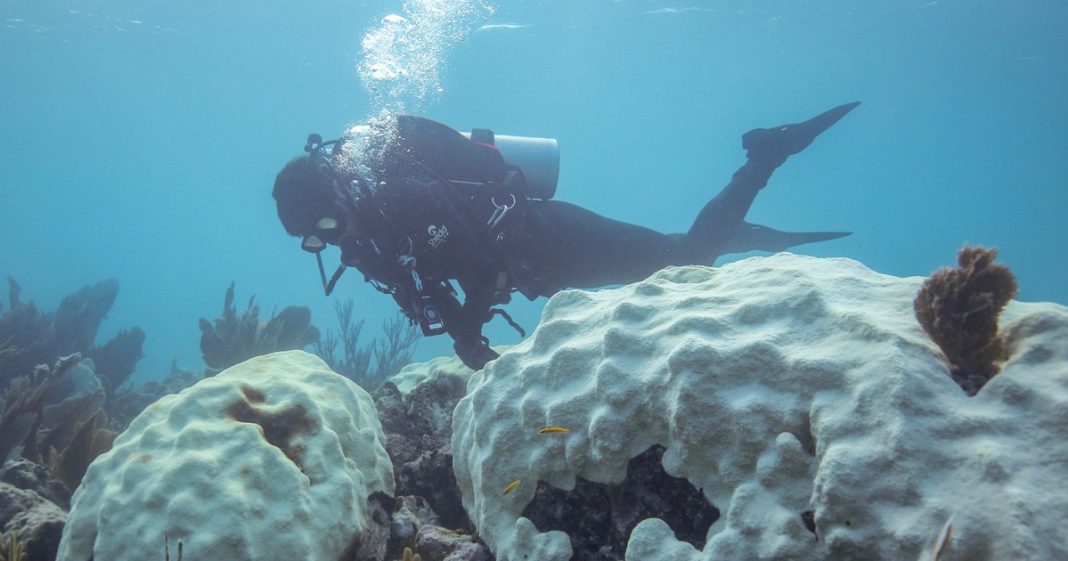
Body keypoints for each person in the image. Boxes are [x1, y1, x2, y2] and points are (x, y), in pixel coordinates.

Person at [273, 102, 860, 370]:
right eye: (314, 242)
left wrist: (471, 331)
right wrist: (466, 341)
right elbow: (422, 289)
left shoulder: (401, 196)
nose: (331, 242)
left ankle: (764, 157)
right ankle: (742, 233)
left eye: (325, 225)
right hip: (542, 274)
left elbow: (476, 262)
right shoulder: (365, 234)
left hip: (551, 238)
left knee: (685, 263)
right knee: (669, 266)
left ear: (338, 196)